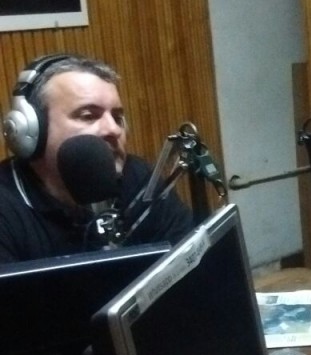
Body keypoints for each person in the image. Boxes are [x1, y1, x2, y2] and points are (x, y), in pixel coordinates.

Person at [0, 54, 193, 263]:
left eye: (117, 117)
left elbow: (191, 264)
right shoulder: (6, 207)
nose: (114, 129)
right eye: (88, 115)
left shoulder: (139, 181)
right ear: (31, 131)